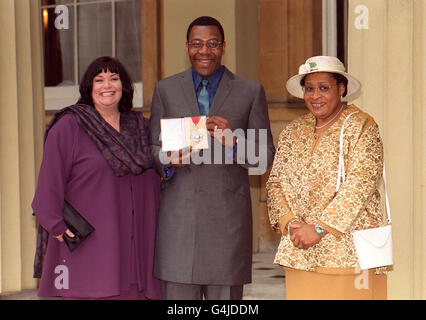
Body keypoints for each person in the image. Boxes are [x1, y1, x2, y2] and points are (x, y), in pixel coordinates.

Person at [149, 16, 275, 300]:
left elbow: (265, 157)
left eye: (212, 44)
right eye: (197, 44)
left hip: (227, 231)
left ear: (223, 47)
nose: (204, 51)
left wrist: (235, 142)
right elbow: (152, 148)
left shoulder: (249, 91)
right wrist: (167, 160)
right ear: (187, 48)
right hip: (178, 227)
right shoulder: (165, 90)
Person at [32, 56, 162, 300]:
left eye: (114, 79)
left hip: (138, 250)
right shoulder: (70, 126)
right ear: (88, 88)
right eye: (99, 80)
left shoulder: (142, 128)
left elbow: (162, 169)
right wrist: (54, 222)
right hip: (91, 247)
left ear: (124, 85)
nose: (107, 85)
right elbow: (49, 180)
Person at [266, 56, 388, 300]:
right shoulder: (293, 131)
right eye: (309, 89)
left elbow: (360, 186)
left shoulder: (362, 126)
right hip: (300, 252)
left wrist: (319, 228)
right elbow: (275, 182)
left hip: (347, 255)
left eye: (324, 88)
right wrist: (290, 224)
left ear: (341, 89)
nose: (315, 96)